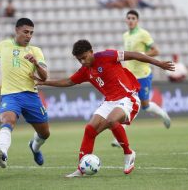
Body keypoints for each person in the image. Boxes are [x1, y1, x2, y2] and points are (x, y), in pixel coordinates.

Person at [34, 39, 174, 177]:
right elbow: (69, 81)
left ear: (91, 52)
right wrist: (45, 82)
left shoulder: (107, 56)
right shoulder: (85, 70)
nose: (82, 62)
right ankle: (81, 169)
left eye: (84, 57)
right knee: (90, 129)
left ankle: (128, 153)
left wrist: (159, 63)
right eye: (79, 60)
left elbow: (134, 55)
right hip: (110, 101)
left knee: (112, 120)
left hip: (128, 97)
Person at [0, 18, 50, 168]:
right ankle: (3, 153)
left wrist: (34, 63)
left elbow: (45, 76)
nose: (29, 36)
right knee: (7, 120)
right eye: (25, 32)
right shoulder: (4, 45)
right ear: (16, 30)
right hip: (10, 95)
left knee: (45, 133)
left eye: (31, 33)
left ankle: (34, 147)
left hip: (30, 95)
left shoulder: (35, 51)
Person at [111, 10, 172, 147]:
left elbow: (156, 51)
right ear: (126, 20)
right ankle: (118, 138)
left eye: (133, 18)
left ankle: (163, 114)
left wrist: (142, 54)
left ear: (137, 20)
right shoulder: (125, 35)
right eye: (129, 18)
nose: (131, 20)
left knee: (145, 105)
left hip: (143, 75)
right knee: (126, 103)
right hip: (129, 76)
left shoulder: (143, 34)